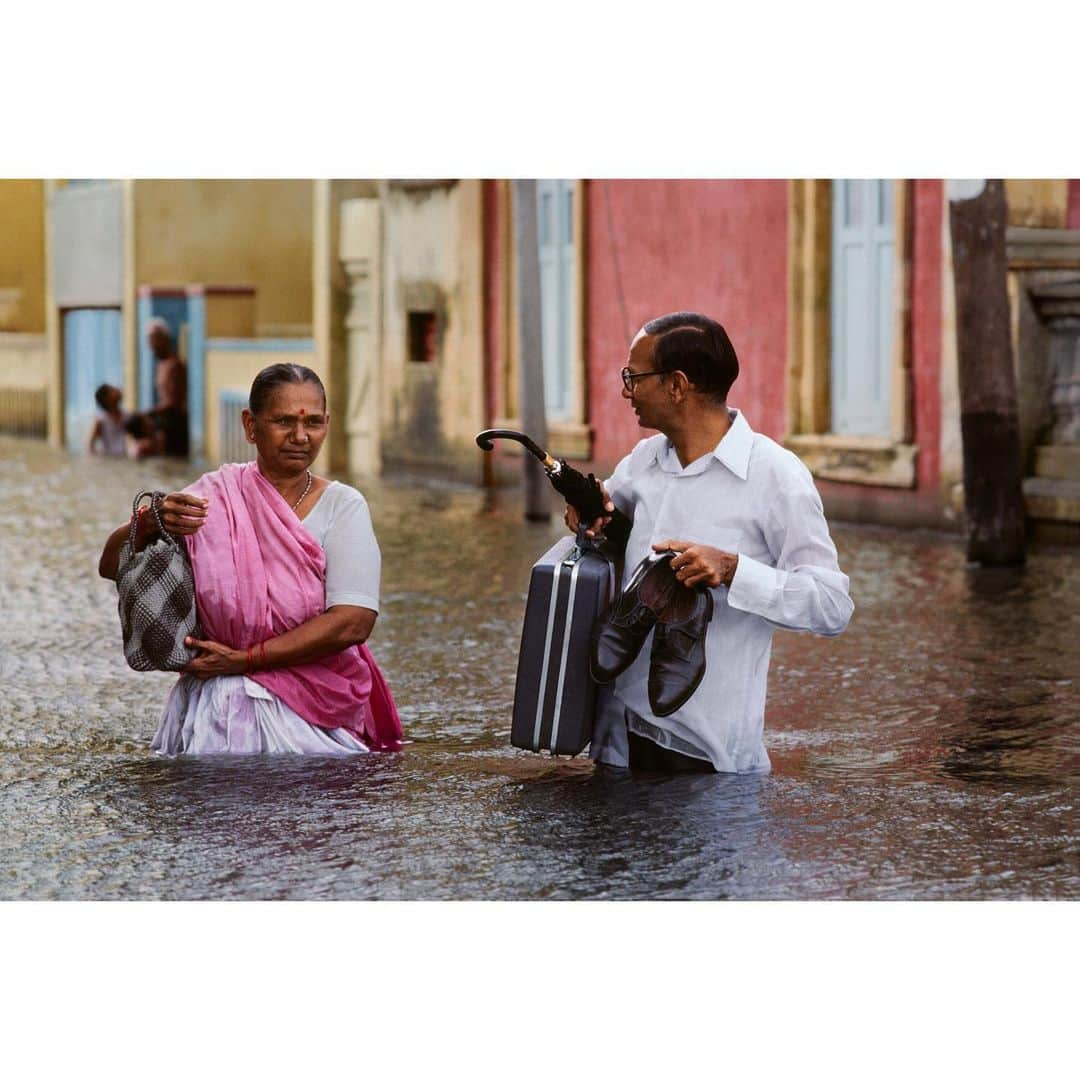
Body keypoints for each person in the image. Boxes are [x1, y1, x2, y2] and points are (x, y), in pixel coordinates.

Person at [566, 311, 853, 774]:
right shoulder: (642, 461)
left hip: (709, 759)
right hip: (616, 745)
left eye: (634, 378)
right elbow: (606, 523)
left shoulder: (776, 476)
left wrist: (735, 569)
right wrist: (588, 515)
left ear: (676, 385)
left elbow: (832, 607)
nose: (626, 391)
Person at [97, 362, 402, 756]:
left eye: (313, 422)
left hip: (312, 707)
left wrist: (246, 660)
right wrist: (149, 520)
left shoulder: (343, 506)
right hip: (214, 702)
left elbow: (353, 623)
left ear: (327, 423)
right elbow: (111, 566)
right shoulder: (213, 497)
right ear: (250, 425)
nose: (300, 436)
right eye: (283, 421)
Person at [130, 316, 188, 459]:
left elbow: (174, 402)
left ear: (164, 339)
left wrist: (148, 413)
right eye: (149, 341)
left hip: (174, 426)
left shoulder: (174, 365)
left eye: (154, 340)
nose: (151, 345)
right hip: (164, 423)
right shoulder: (161, 365)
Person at [87, 383, 129, 457]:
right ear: (107, 399)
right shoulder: (101, 420)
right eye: (113, 390)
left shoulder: (126, 416)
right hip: (108, 458)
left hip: (123, 458)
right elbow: (90, 445)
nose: (118, 390)